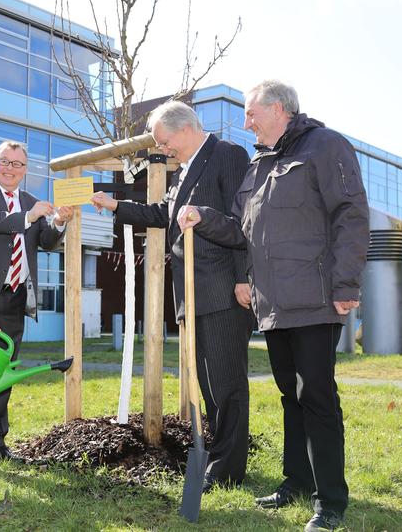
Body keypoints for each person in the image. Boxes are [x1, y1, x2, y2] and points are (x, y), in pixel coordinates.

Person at [178, 80, 369, 531]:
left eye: (251, 114)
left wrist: (346, 282)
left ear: (278, 109)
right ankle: (296, 482)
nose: (246, 123)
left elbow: (351, 214)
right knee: (290, 396)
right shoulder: (261, 164)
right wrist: (203, 216)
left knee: (316, 397)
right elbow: (243, 229)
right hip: (273, 303)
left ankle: (330, 502)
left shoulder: (325, 145)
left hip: (315, 296)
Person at [91, 100, 254, 491]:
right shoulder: (184, 172)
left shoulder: (227, 156)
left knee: (226, 384)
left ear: (184, 128)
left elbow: (244, 222)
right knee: (208, 382)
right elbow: (162, 215)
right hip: (194, 295)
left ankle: (227, 469)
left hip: (222, 291)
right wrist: (115, 205)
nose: (162, 150)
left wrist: (244, 279)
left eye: (164, 142)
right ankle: (219, 458)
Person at [0, 140, 74, 469]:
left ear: (25, 170)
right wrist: (25, 217)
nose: (9, 169)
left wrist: (59, 222)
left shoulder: (31, 201)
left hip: (16, 297)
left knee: (4, 370)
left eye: (17, 164)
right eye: (4, 162)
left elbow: (45, 242)